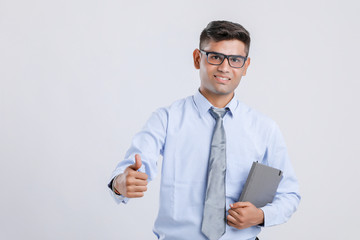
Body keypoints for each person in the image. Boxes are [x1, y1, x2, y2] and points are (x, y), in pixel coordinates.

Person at [108, 20, 301, 240]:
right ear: (197, 58)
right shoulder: (166, 119)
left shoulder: (265, 129)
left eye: (235, 60)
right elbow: (130, 170)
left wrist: (261, 215)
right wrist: (120, 184)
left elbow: (290, 194)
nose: (224, 67)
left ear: (246, 66)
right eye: (215, 57)